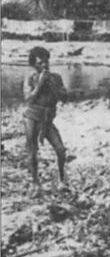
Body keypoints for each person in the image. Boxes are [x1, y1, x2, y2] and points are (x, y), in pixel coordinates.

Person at [23, 46, 69, 189]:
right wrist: (40, 83)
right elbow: (28, 99)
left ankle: (62, 180)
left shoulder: (56, 77)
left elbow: (65, 98)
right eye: (40, 63)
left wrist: (54, 86)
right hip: (32, 117)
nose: (44, 65)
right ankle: (36, 183)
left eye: (46, 62)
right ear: (33, 64)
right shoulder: (30, 78)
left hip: (47, 119)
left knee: (60, 150)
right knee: (33, 150)